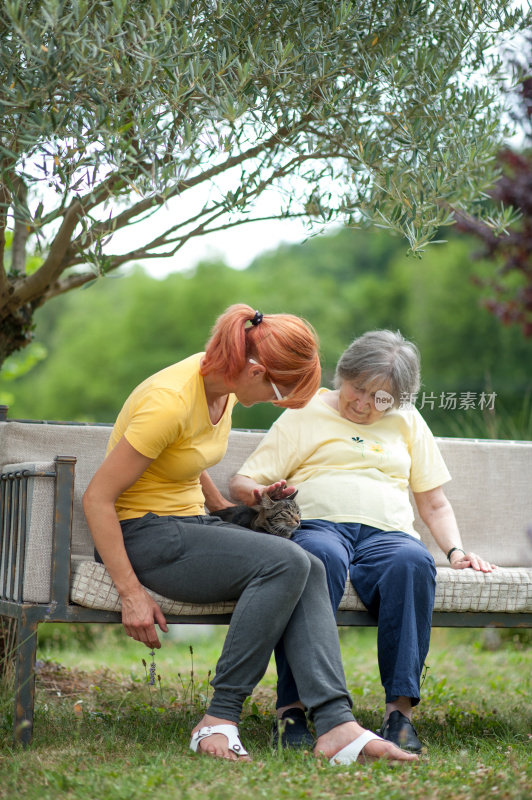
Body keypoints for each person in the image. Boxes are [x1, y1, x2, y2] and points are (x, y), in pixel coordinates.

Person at [83, 307, 417, 765]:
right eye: (280, 391)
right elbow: (97, 498)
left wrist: (224, 510)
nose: (279, 402)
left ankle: (337, 726)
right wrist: (130, 593)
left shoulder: (221, 387)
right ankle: (218, 719)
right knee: (288, 560)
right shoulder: (169, 400)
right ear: (256, 370)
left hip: (190, 524)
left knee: (311, 563)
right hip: (144, 535)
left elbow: (186, 454)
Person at [230, 329, 496, 753]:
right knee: (317, 560)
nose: (365, 404)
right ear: (343, 375)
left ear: (400, 400)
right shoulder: (304, 410)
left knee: (413, 562)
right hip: (319, 527)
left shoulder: (409, 420)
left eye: (382, 399)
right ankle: (293, 709)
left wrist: (456, 552)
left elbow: (434, 503)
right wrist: (261, 494)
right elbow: (244, 480)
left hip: (388, 536)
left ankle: (399, 715)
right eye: (358, 390)